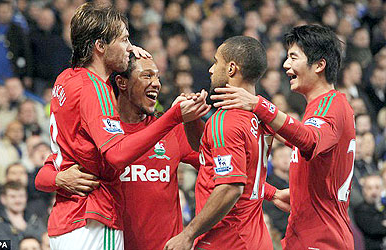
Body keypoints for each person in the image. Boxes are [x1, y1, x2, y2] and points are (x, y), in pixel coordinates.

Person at [44, 2, 210, 250]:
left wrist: (123, 53)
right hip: (94, 217)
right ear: (100, 46)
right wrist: (173, 116)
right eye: (124, 40)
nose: (131, 47)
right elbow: (117, 155)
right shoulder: (95, 89)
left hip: (67, 223)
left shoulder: (66, 79)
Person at [211, 24, 355, 249]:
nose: (286, 65)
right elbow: (296, 138)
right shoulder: (319, 108)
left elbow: (308, 140)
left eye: (293, 57)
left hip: (322, 239)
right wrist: (275, 193)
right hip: (304, 233)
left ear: (319, 65)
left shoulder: (332, 104)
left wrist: (259, 105)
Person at [164, 36, 289, 250]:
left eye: (216, 62)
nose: (211, 70)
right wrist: (192, 121)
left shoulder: (225, 122)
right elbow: (211, 155)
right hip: (255, 238)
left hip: (227, 241)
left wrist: (187, 234)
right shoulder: (259, 115)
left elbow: (231, 188)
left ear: (231, 68)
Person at [354, 174, 386, 250]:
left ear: (382, 189)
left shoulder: (383, 206)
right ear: (364, 190)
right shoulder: (360, 210)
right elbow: (373, 229)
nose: (374, 191)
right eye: (369, 188)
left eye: (377, 187)